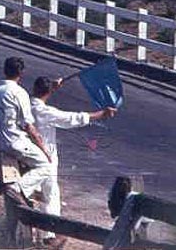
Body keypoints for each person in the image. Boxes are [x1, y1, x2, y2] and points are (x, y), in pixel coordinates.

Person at [31, 76, 117, 246]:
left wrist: (52, 88)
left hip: (26, 154)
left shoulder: (27, 104)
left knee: (34, 193)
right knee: (50, 195)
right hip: (44, 156)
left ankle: (34, 232)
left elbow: (39, 99)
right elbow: (70, 118)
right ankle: (48, 237)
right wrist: (101, 114)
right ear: (47, 92)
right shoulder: (44, 112)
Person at [0, 57, 52, 207]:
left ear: (4, 70)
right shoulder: (18, 92)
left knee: (29, 161)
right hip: (13, 142)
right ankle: (18, 189)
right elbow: (29, 126)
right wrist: (44, 150)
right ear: (21, 73)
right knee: (45, 165)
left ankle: (27, 192)